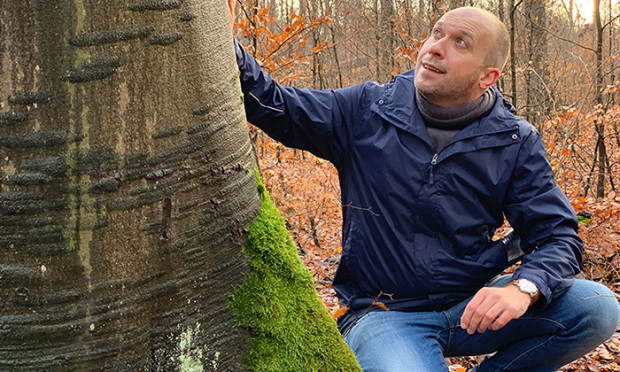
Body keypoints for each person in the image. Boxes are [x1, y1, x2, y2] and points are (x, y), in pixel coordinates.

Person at [228, 3, 620, 371]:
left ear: (487, 77)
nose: (434, 48)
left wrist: (523, 288)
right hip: (385, 316)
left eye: (459, 43)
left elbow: (558, 236)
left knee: (597, 306)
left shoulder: (514, 141)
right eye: (436, 34)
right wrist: (223, 42)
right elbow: (274, 104)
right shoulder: (367, 110)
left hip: (468, 308)